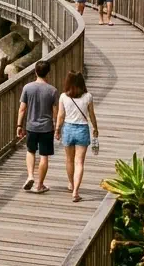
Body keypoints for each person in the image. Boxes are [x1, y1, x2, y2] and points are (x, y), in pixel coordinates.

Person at [55, 71, 98, 202]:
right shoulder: (88, 96)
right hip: (82, 130)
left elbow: (61, 115)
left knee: (69, 160)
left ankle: (71, 184)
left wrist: (57, 130)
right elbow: (91, 114)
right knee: (79, 162)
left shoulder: (63, 96)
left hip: (68, 129)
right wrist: (95, 128)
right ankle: (75, 192)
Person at [18, 61, 58, 192]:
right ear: (48, 73)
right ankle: (40, 185)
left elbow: (22, 109)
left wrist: (19, 125)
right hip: (47, 127)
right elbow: (55, 112)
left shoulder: (27, 88)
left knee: (30, 151)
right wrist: (57, 127)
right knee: (44, 156)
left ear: (35, 72)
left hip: (31, 126)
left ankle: (30, 176)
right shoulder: (52, 90)